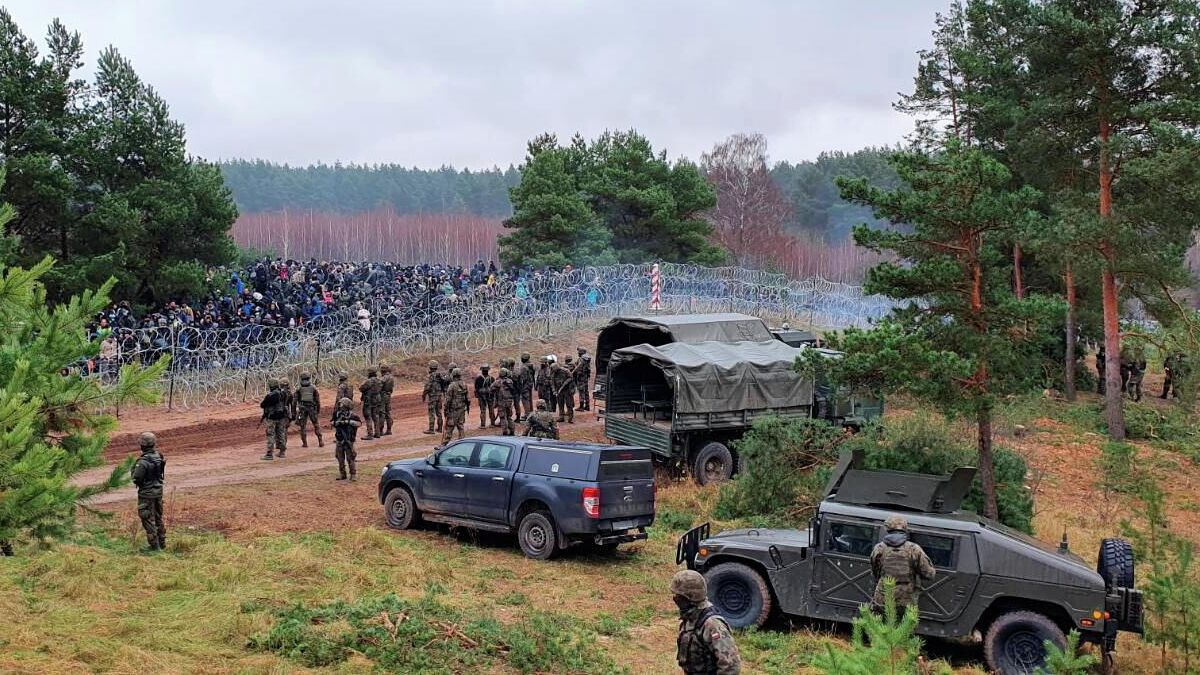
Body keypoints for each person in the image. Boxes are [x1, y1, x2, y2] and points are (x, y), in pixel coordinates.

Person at [671, 570, 741, 675]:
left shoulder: (713, 624)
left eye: (678, 596)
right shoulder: (691, 617)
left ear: (689, 597)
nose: (674, 599)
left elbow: (730, 666)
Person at [870, 515, 936, 611]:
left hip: (883, 598)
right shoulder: (914, 549)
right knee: (905, 625)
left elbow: (875, 572)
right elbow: (929, 574)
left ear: (887, 529)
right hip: (906, 601)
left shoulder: (879, 548)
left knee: (879, 625)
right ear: (905, 528)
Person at [131, 432, 167, 552]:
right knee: (158, 518)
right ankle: (162, 543)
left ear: (142, 445)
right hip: (158, 491)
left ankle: (154, 547)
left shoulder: (143, 462)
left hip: (146, 494)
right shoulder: (159, 456)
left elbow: (136, 478)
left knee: (147, 519)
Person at [331, 397, 361, 481]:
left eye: (341, 404)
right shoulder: (337, 414)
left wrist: (348, 422)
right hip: (339, 439)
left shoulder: (352, 415)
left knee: (350, 457)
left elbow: (359, 423)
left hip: (349, 440)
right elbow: (332, 422)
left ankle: (353, 474)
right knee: (339, 457)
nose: (340, 406)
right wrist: (336, 423)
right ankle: (342, 474)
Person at [259, 378, 290, 460]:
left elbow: (262, 405)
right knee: (281, 434)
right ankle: (282, 452)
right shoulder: (283, 394)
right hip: (281, 417)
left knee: (271, 435)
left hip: (272, 418)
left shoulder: (270, 395)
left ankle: (269, 454)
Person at [294, 372, 324, 448]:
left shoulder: (299, 389)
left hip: (302, 409)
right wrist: (318, 410)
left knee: (302, 426)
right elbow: (317, 401)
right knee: (316, 424)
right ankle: (320, 441)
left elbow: (294, 401)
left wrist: (294, 412)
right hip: (312, 408)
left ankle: (305, 443)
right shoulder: (313, 388)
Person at [442, 368, 470, 443]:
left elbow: (448, 400)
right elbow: (468, 399)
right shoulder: (464, 384)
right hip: (462, 409)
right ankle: (462, 442)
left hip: (453, 410)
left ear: (453, 375)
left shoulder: (452, 386)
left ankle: (444, 444)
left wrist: (446, 410)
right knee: (460, 426)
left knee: (450, 427)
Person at [422, 360, 445, 435]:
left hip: (432, 397)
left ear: (430, 367)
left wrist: (424, 395)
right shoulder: (440, 375)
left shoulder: (431, 376)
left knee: (431, 413)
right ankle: (440, 428)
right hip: (439, 396)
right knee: (439, 412)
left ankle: (431, 429)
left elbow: (427, 387)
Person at [493, 367, 517, 436]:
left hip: (502, 402)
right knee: (509, 416)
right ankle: (512, 430)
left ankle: (505, 432)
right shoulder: (510, 381)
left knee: (503, 417)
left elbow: (491, 389)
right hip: (509, 402)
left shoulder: (498, 382)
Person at [359, 367, 381, 440]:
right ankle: (378, 433)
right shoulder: (379, 380)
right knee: (376, 416)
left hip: (369, 400)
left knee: (368, 417)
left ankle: (370, 434)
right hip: (377, 399)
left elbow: (361, 388)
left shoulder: (369, 381)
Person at [553, 356, 575, 424]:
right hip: (559, 390)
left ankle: (570, 418)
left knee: (569, 404)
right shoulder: (553, 372)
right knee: (560, 404)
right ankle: (561, 416)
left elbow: (571, 378)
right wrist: (554, 390)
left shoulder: (565, 371)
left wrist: (564, 384)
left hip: (567, 390)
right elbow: (552, 382)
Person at [474, 364, 496, 428]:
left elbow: (476, 388)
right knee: (491, 410)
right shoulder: (492, 378)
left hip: (482, 397)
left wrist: (479, 395)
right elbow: (494, 388)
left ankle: (483, 425)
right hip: (490, 397)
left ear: (482, 370)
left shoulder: (478, 379)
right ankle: (492, 423)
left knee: (483, 410)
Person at [515, 352, 534, 421]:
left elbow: (523, 378)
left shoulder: (524, 367)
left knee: (525, 400)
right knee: (529, 400)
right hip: (529, 385)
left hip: (525, 386)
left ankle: (527, 415)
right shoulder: (531, 365)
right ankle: (530, 414)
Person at [379, 363, 395, 436]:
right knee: (388, 413)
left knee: (381, 413)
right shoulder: (391, 377)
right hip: (388, 395)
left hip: (382, 396)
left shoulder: (383, 378)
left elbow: (379, 386)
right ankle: (389, 430)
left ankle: (380, 430)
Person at [574, 347, 592, 411]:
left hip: (581, 377)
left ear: (581, 352)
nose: (578, 353)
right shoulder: (586, 358)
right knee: (586, 391)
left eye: (579, 352)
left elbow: (579, 366)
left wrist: (573, 372)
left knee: (581, 391)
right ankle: (587, 406)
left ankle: (581, 407)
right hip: (585, 377)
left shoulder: (582, 359)